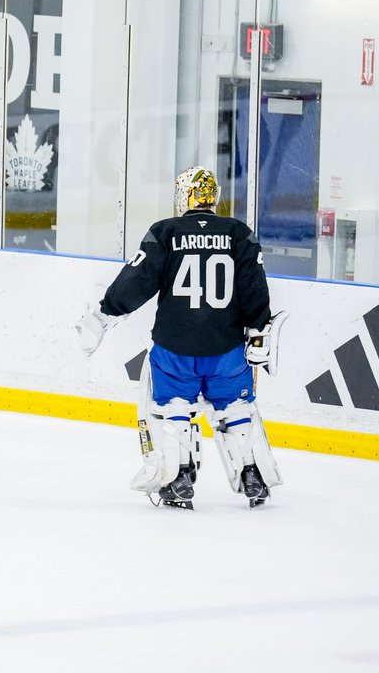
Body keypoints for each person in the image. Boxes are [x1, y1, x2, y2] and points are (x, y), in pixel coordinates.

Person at [75, 166, 288, 509]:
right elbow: (254, 288)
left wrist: (105, 313)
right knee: (235, 409)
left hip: (174, 346)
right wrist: (258, 328)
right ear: (213, 197)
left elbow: (137, 279)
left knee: (173, 410)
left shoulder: (165, 232)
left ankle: (179, 479)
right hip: (227, 347)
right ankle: (253, 476)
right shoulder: (239, 233)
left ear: (183, 196)